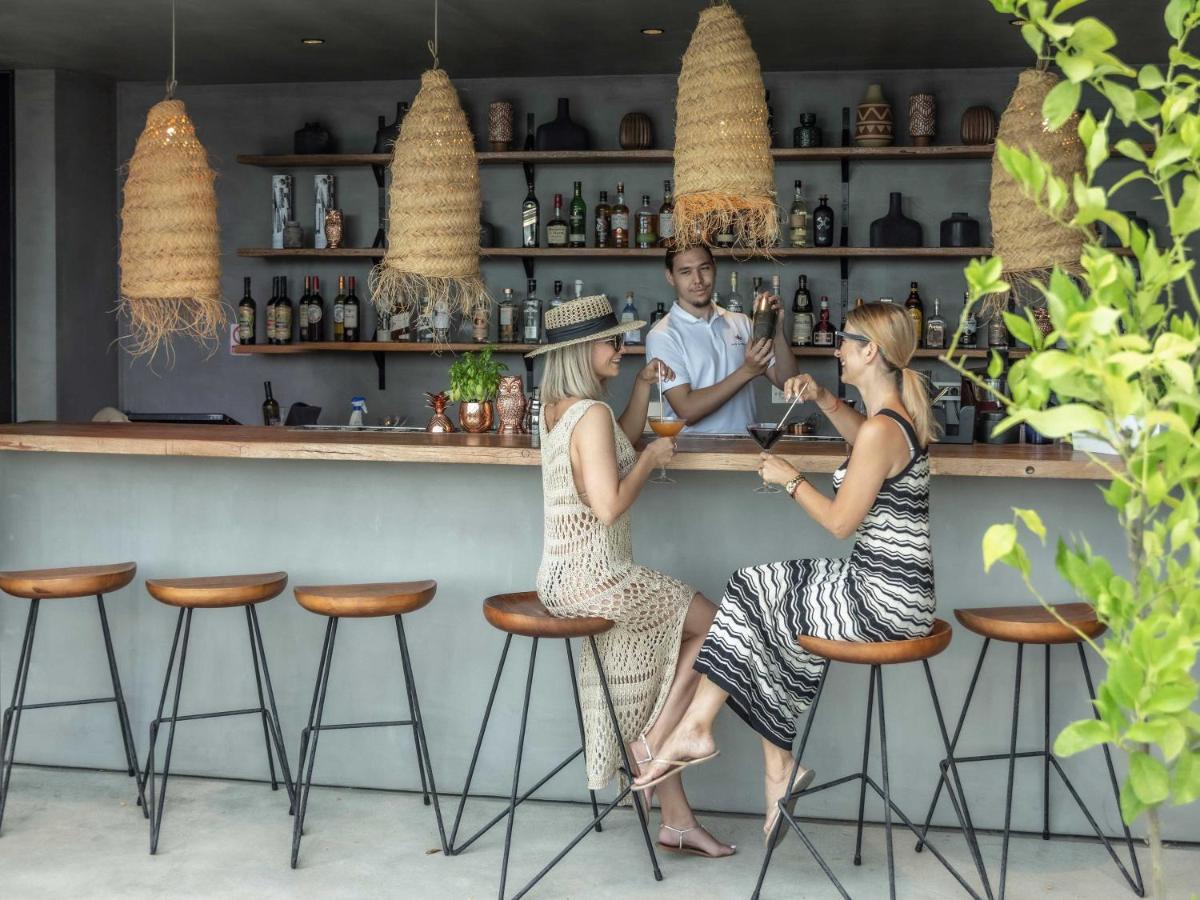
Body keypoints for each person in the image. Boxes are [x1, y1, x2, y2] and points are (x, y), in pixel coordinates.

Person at [634, 302, 939, 847]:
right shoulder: (890, 421)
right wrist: (823, 398)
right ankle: (772, 765)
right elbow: (864, 438)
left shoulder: (882, 430)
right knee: (765, 606)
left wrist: (790, 478)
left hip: (884, 600)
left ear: (870, 351)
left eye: (845, 341)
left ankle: (703, 731)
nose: (837, 349)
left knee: (753, 591)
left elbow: (841, 523)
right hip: (892, 590)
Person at [528, 295, 735, 858]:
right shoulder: (588, 414)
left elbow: (610, 446)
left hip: (562, 579)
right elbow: (608, 504)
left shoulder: (560, 410)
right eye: (613, 341)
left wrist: (642, 387)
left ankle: (677, 820)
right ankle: (651, 745)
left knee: (664, 661)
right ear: (581, 351)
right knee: (720, 628)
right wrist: (651, 459)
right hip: (597, 578)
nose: (623, 347)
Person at [645, 246, 798, 433]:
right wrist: (747, 371)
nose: (698, 280)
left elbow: (787, 381)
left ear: (714, 267)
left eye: (704, 268)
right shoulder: (662, 335)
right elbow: (686, 411)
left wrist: (778, 330)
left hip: (746, 446)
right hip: (691, 449)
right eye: (686, 272)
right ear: (670, 277)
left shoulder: (741, 322)